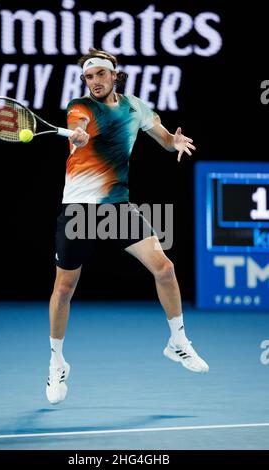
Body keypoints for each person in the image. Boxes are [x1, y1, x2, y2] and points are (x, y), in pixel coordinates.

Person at [46, 48, 209, 405]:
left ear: (114, 75)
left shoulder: (136, 108)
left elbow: (164, 140)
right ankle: (57, 361)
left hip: (118, 208)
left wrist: (174, 142)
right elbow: (79, 125)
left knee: (164, 268)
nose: (95, 82)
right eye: (89, 77)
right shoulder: (81, 107)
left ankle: (178, 341)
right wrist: (78, 135)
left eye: (101, 74)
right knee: (64, 290)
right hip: (78, 211)